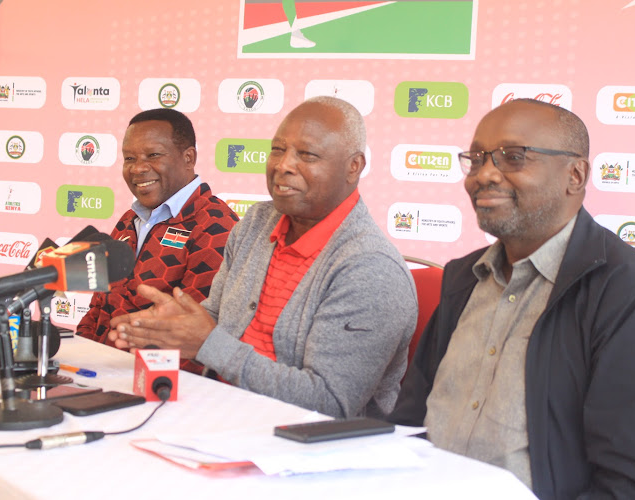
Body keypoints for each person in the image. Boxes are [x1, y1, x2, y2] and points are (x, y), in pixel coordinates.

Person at [388, 99, 635, 499]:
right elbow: (409, 421)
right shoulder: (464, 278)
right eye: (477, 158)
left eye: (512, 158)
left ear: (575, 174)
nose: (484, 175)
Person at [108, 96, 417, 418]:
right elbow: (219, 318)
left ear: (354, 166)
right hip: (216, 413)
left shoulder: (370, 269)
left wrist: (206, 342)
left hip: (305, 446)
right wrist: (175, 327)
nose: (283, 165)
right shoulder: (257, 223)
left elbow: (330, 403)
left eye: (306, 155)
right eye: (278, 150)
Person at [76, 108, 239, 374]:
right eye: (129, 158)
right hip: (101, 377)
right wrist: (80, 361)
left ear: (189, 158)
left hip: (159, 390)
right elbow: (99, 307)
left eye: (153, 155)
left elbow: (193, 336)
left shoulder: (215, 225)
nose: (138, 168)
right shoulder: (129, 219)